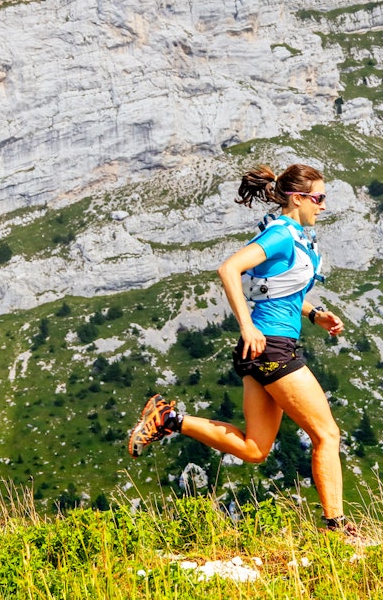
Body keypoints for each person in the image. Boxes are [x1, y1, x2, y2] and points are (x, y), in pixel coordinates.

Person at [127, 163, 355, 533]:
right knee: (327, 435)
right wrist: (247, 326)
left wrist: (315, 314)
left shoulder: (293, 237)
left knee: (254, 450)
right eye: (319, 198)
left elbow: (275, 289)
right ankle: (337, 528)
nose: (323, 206)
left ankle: (168, 419)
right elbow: (229, 269)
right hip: (271, 348)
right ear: (298, 198)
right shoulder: (280, 235)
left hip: (263, 350)